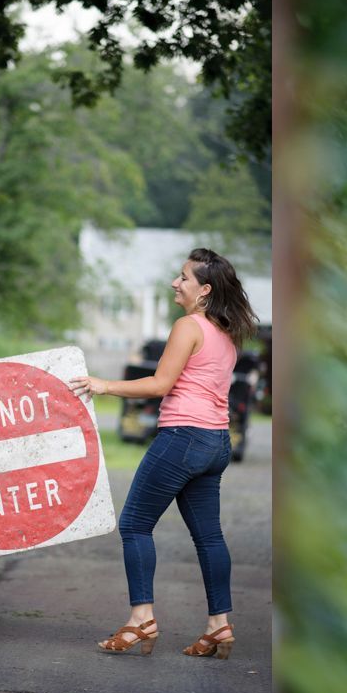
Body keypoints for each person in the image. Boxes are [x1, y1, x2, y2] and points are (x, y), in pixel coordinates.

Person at [69, 248, 257, 659]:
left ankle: (141, 620)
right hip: (215, 442)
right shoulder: (226, 334)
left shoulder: (188, 326)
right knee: (209, 536)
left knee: (135, 523)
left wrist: (104, 386)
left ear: (204, 290)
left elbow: (159, 384)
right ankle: (218, 626)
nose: (176, 282)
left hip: (183, 438)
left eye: (184, 278)